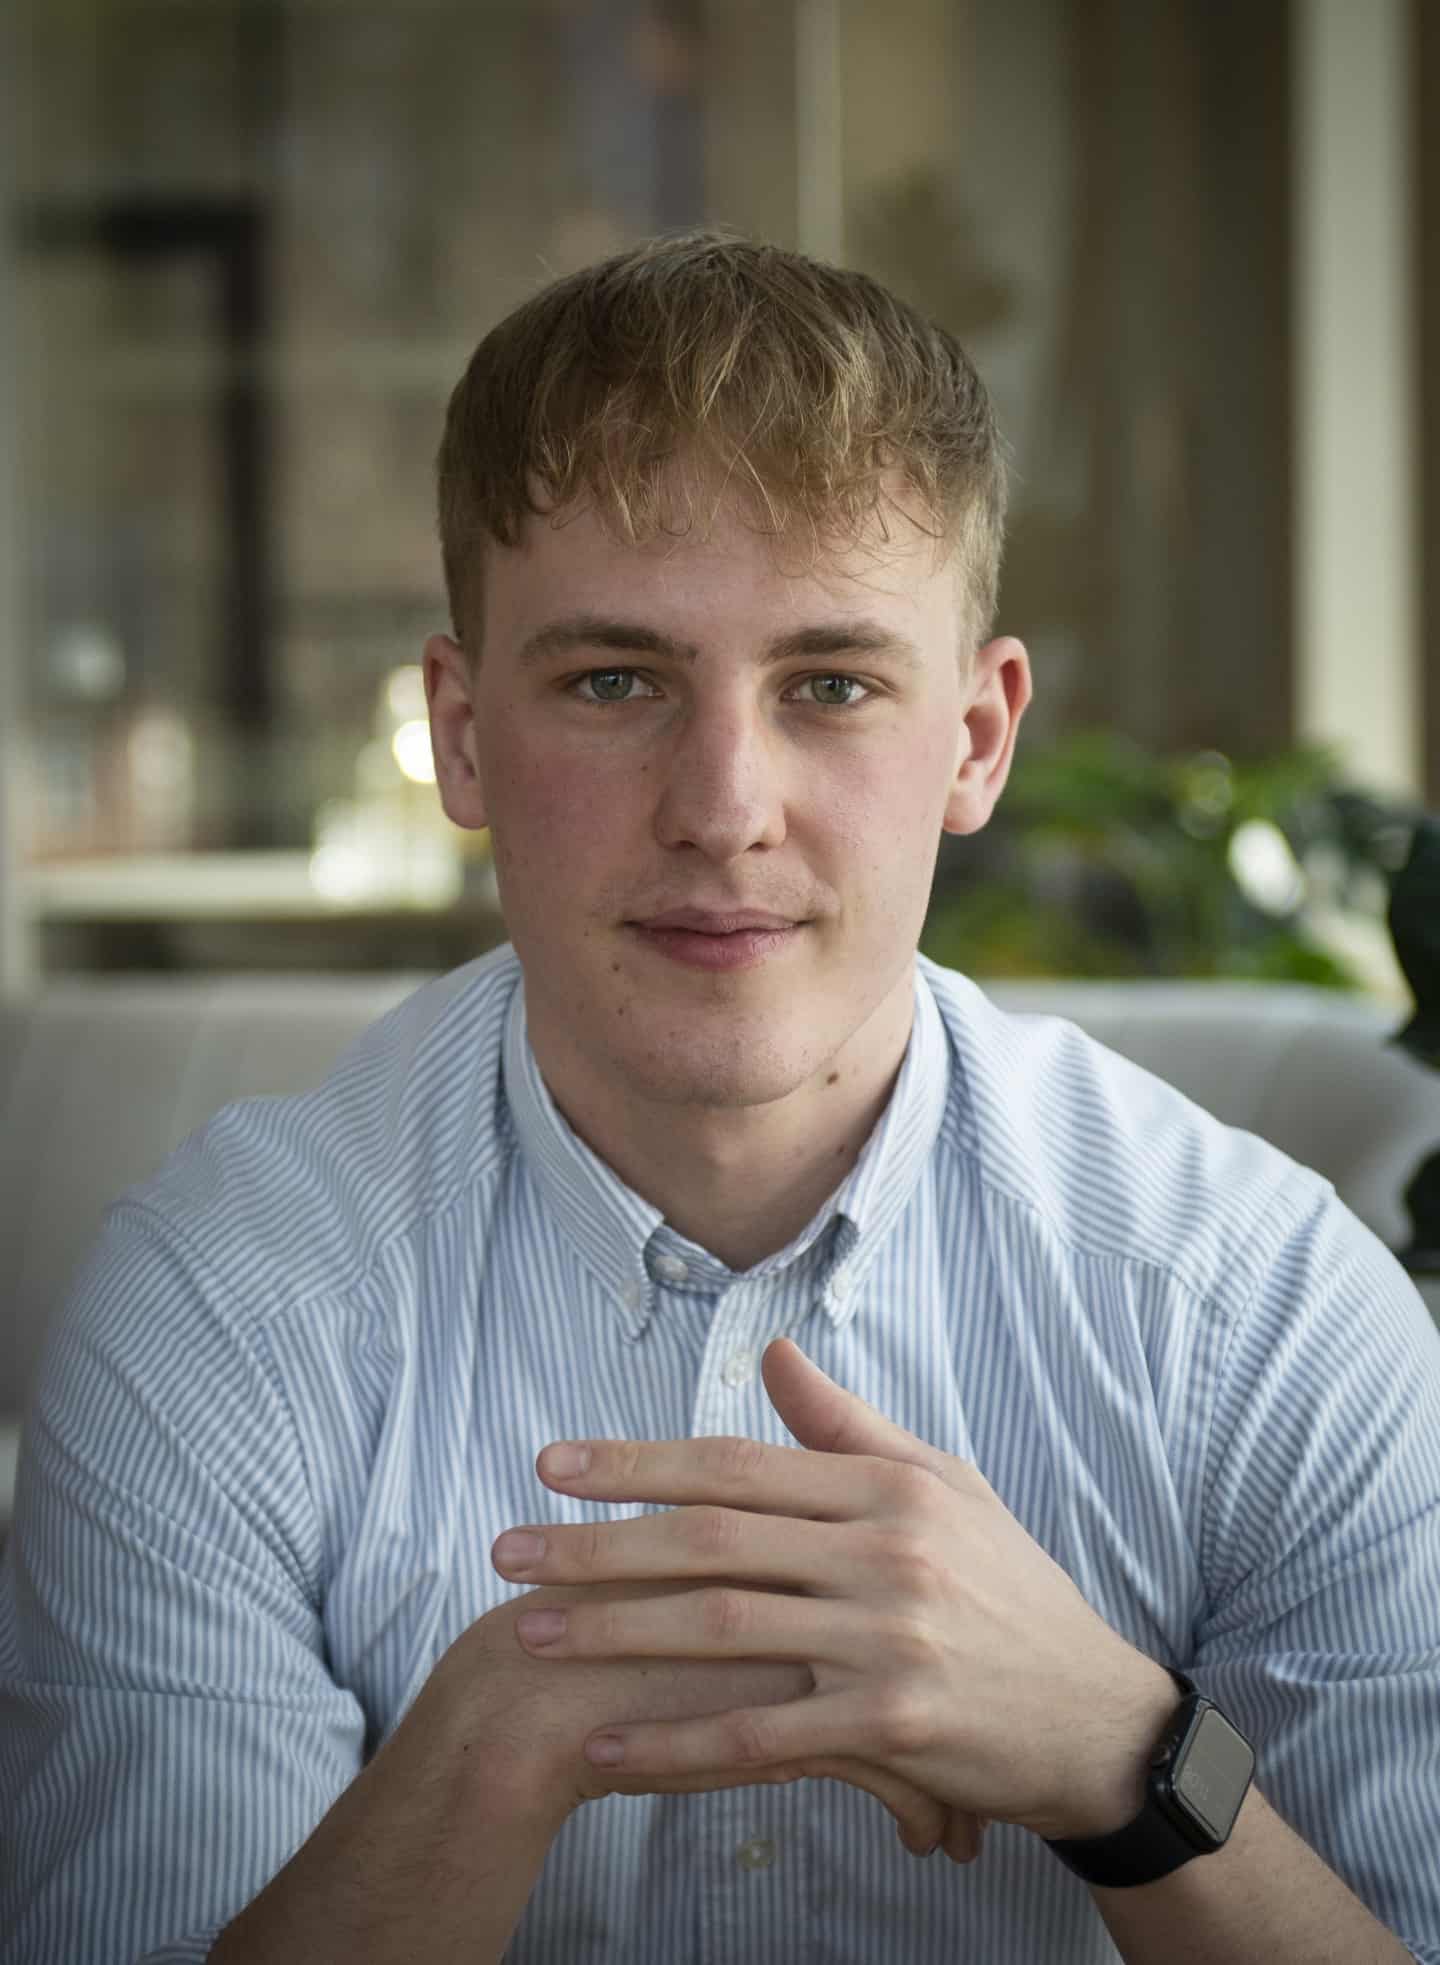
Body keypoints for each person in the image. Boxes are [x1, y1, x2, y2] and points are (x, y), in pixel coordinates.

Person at [2, 230, 1437, 1965]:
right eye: (614, 681)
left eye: (831, 684)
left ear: (978, 737)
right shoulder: (215, 1303)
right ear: (462, 732)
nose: (724, 805)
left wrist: (1122, 1756)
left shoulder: (1264, 1305)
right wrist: (509, 1728)